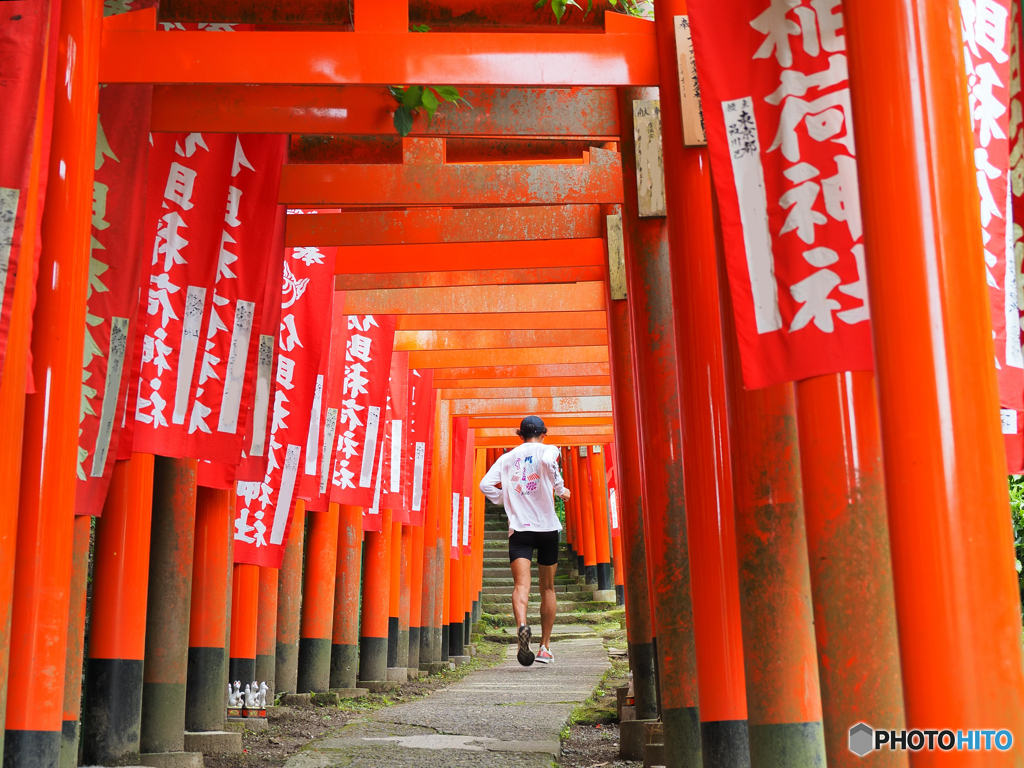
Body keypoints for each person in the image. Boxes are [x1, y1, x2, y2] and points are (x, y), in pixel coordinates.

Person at [479, 415, 571, 666]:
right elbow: (547, 461)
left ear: (520, 434)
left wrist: (504, 499)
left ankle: (522, 625)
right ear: (544, 432)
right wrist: (561, 490)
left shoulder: (507, 457)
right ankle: (544, 647)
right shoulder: (548, 449)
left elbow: (485, 485)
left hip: (520, 529)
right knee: (548, 588)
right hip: (547, 528)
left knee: (521, 587)